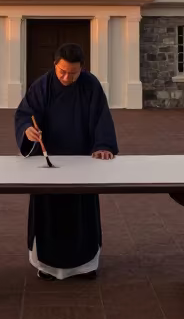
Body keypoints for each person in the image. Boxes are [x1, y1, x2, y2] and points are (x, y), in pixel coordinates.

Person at [14, 42, 119, 281]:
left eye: (73, 73)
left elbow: (102, 115)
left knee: (81, 215)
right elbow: (24, 114)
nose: (66, 77)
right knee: (49, 214)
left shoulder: (91, 85)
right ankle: (47, 266)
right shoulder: (42, 85)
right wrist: (27, 130)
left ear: (82, 68)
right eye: (61, 71)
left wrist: (102, 145)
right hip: (50, 162)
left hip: (82, 161)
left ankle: (85, 266)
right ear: (55, 65)